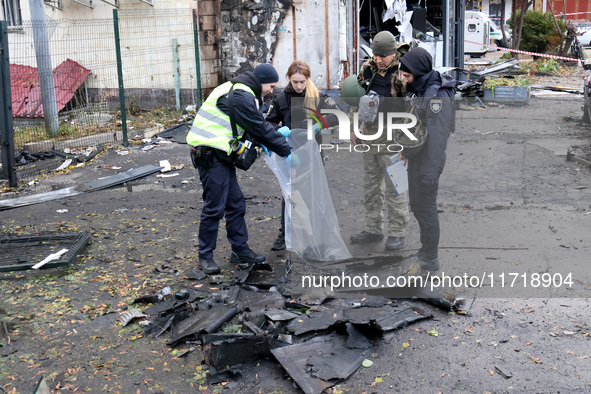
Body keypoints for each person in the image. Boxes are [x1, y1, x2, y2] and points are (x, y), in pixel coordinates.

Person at [187, 64, 291, 274]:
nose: (271, 90)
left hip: (220, 153)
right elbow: (258, 127)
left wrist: (269, 137)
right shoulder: (242, 95)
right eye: (271, 86)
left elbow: (249, 124)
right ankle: (205, 256)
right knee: (214, 207)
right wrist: (286, 150)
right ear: (261, 81)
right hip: (209, 153)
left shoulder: (238, 90)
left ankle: (240, 250)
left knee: (235, 204)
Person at [265, 60, 340, 251]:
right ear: (288, 79)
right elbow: (269, 123)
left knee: (314, 195)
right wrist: (279, 129)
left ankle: (316, 235)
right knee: (290, 195)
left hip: (313, 154)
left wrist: (319, 123)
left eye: (302, 81)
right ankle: (286, 233)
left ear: (308, 79)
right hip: (291, 155)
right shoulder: (280, 99)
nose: (299, 86)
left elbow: (337, 114)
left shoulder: (316, 96)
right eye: (295, 81)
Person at [348, 30, 410, 251]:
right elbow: (356, 101)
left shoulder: (404, 73)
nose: (378, 59)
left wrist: (407, 143)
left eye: (383, 55)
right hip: (370, 137)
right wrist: (354, 128)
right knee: (371, 187)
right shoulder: (367, 70)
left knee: (396, 187)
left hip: (394, 137)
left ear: (393, 53)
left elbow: (412, 109)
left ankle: (397, 232)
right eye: (376, 55)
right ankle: (373, 228)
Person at [397, 47, 456, 270]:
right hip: (417, 156)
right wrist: (406, 149)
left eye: (407, 74)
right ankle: (425, 251)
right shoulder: (418, 87)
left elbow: (438, 139)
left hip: (429, 161)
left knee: (426, 207)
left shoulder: (436, 95)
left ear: (419, 72)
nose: (404, 78)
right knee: (417, 206)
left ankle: (430, 257)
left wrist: (429, 174)